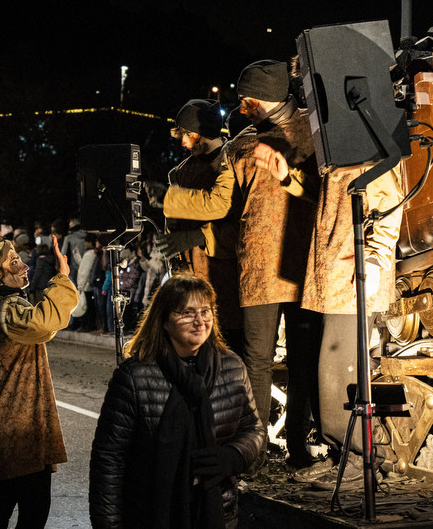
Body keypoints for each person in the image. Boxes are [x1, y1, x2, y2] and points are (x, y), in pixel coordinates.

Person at [156, 60, 320, 471]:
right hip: (257, 266)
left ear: (266, 97)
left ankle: (298, 446)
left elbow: (325, 191)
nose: (242, 109)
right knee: (256, 360)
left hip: (303, 262)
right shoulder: (240, 145)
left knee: (303, 360)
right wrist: (174, 204)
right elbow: (222, 203)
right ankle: (254, 452)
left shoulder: (314, 129)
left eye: (248, 101)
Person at [252, 110, 404, 488]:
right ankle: (342, 456)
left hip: (352, 284)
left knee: (341, 373)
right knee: (330, 374)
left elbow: (390, 204)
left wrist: (376, 259)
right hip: (332, 283)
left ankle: (358, 460)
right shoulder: (341, 154)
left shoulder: (367, 149)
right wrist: (287, 176)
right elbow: (321, 200)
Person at [88, 274, 264, 528]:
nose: (199, 322)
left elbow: (253, 429)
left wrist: (232, 456)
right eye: (187, 313)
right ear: (164, 320)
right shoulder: (135, 376)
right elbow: (109, 460)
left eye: (205, 311)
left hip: (216, 514)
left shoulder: (232, 367)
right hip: (149, 516)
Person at [0, 236, 78, 529]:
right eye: (14, 261)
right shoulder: (5, 308)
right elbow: (44, 322)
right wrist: (62, 278)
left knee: (4, 508)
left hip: (12, 426)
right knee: (25, 509)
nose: (24, 266)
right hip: (15, 428)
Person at [153, 98, 244, 352]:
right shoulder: (180, 173)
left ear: (204, 131)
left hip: (226, 281)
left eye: (188, 135)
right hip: (189, 282)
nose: (183, 143)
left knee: (228, 351)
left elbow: (242, 228)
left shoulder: (233, 163)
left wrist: (199, 236)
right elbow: (173, 228)